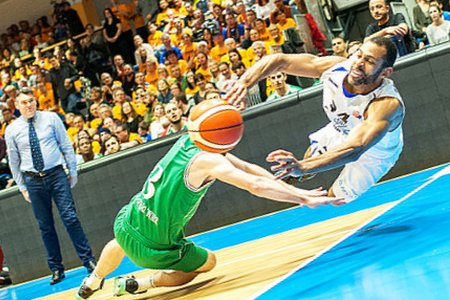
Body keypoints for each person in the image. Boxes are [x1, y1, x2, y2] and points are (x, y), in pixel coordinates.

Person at [75, 99, 340, 299]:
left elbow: (248, 169)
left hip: (128, 219)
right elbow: (254, 185)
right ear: (225, 135)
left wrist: (295, 191)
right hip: (155, 246)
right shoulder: (209, 160)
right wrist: (302, 199)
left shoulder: (187, 139)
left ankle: (92, 281)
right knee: (208, 262)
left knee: (120, 241)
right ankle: (141, 284)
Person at [227, 37, 405, 203]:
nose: (359, 63)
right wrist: (244, 83)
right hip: (341, 129)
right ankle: (292, 178)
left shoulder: (386, 104)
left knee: (336, 199)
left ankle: (303, 173)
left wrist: (303, 166)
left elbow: (355, 148)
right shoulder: (337, 68)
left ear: (385, 73)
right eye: (359, 54)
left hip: (375, 152)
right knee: (305, 163)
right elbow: (279, 61)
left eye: (370, 61)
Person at [4, 89, 96, 285]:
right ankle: (56, 268)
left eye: (31, 101)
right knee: (45, 226)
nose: (28, 105)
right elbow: (13, 161)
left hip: (56, 175)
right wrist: (22, 187)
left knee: (70, 218)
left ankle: (88, 260)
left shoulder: (51, 118)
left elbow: (66, 145)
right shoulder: (12, 130)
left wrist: (72, 171)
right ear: (17, 107)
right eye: (24, 103)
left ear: (35, 101)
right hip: (32, 181)